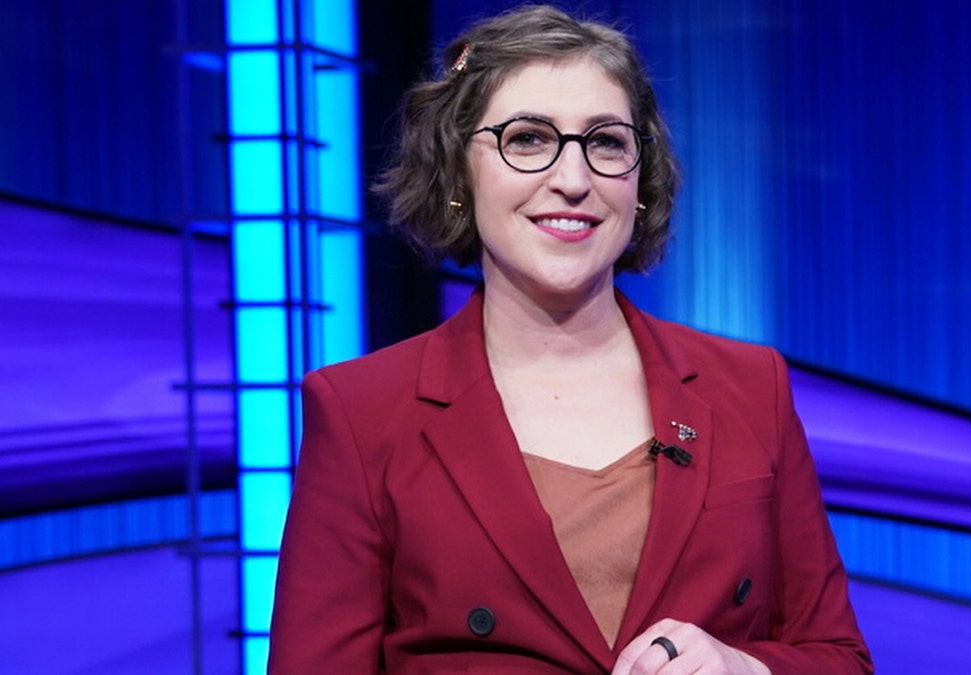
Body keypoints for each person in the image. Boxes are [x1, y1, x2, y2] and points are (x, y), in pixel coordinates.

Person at [268, 5, 872, 673]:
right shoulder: (362, 411)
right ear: (458, 171)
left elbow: (838, 655)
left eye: (606, 142)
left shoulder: (749, 386)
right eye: (527, 138)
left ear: (640, 182)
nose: (574, 179)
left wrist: (745, 668)